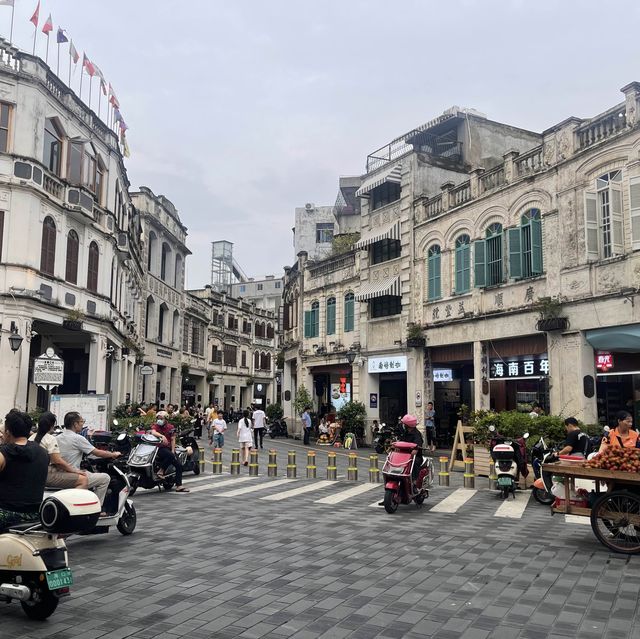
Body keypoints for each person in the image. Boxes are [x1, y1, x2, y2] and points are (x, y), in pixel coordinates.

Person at [57, 411, 120, 507]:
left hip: (59, 474)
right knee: (105, 478)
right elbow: (97, 452)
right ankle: (96, 508)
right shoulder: (78, 438)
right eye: (82, 421)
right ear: (75, 424)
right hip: (73, 474)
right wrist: (113, 454)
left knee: (88, 472)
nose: (83, 424)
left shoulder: (58, 437)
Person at [0, 410, 49, 531]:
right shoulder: (44, 453)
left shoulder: (4, 453)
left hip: (7, 514)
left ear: (7, 432)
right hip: (35, 514)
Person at [29, 411, 88, 490]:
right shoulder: (50, 439)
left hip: (32, 474)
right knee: (83, 480)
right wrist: (75, 470)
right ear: (52, 425)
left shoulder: (31, 437)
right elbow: (57, 461)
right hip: (46, 475)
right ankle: (68, 501)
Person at [150, 411, 189, 493]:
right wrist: (162, 436)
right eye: (158, 418)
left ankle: (179, 485)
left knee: (178, 465)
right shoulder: (156, 426)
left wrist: (172, 450)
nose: (159, 420)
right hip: (159, 448)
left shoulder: (171, 427)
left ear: (166, 419)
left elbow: (173, 439)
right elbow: (153, 432)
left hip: (168, 449)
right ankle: (161, 471)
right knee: (170, 456)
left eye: (161, 418)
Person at [397, 414, 424, 489]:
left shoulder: (417, 434)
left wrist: (414, 450)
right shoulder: (405, 432)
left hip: (415, 457)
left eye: (404, 424)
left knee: (414, 463)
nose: (403, 425)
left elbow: (417, 446)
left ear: (407, 425)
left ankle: (415, 481)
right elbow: (401, 442)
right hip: (404, 456)